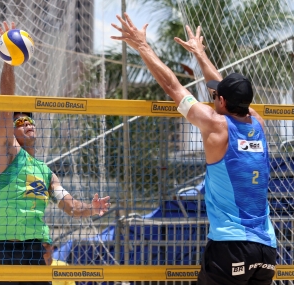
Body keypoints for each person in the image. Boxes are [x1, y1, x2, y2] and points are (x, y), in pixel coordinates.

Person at [111, 14, 277, 285]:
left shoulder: (215, 125)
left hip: (231, 247)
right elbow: (222, 90)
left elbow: (172, 87)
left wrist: (142, 45)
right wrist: (200, 54)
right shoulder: (258, 122)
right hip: (267, 250)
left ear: (221, 100)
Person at [0, 21, 111, 285]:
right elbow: (6, 107)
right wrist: (9, 61)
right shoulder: (6, 154)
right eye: (19, 122)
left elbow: (70, 206)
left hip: (34, 250)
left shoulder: (47, 174)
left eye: (29, 120)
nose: (26, 123)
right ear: (12, 132)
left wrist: (91, 208)